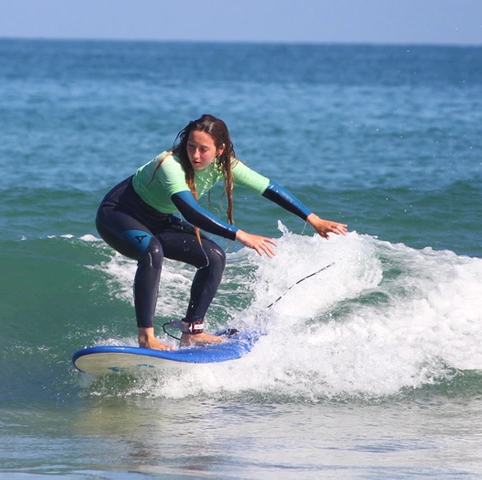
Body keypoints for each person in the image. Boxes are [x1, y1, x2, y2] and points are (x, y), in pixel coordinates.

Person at [95, 114, 347, 350]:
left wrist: (313, 219)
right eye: (191, 146)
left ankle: (192, 330)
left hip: (157, 219)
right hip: (118, 214)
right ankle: (146, 337)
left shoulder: (225, 165)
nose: (195, 155)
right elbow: (191, 212)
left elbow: (268, 188)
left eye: (203, 149)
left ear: (220, 150)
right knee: (152, 251)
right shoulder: (170, 164)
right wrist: (240, 235)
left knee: (213, 256)